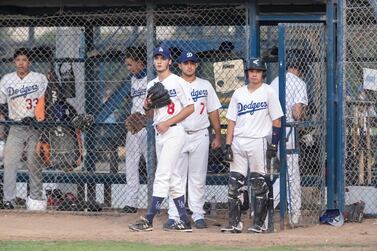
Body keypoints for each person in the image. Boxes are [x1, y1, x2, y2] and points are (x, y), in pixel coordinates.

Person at [128, 46, 194, 232]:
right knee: (173, 179)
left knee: (162, 175)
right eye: (156, 58)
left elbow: (190, 108)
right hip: (160, 133)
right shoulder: (151, 85)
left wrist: (168, 122)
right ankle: (184, 220)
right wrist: (147, 106)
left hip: (174, 132)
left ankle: (148, 219)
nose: (159, 61)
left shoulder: (178, 81)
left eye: (163, 58)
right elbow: (150, 115)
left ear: (169, 62)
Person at [220, 57, 283, 233]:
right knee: (234, 183)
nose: (254, 74)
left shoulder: (268, 92)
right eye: (251, 71)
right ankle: (235, 223)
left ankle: (259, 223)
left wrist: (274, 144)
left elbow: (277, 121)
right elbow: (231, 120)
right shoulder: (238, 93)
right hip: (238, 141)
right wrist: (228, 144)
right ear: (247, 73)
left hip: (258, 141)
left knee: (258, 182)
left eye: (257, 71)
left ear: (263, 73)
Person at [165, 51, 222, 229]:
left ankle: (197, 214)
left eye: (192, 63)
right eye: (185, 63)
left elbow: (213, 111)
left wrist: (217, 134)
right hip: (178, 133)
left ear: (196, 65)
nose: (189, 66)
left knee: (198, 177)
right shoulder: (172, 84)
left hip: (200, 134)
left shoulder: (205, 85)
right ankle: (175, 215)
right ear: (179, 65)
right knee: (177, 177)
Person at [0, 48, 48, 210]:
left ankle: (35, 199)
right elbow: (2, 103)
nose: (21, 63)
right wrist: (5, 119)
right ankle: (9, 200)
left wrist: (37, 117)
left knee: (34, 162)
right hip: (16, 126)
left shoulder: (39, 78)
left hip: (35, 127)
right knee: (10, 163)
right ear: (14, 62)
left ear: (30, 62)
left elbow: (46, 101)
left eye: (24, 60)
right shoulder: (7, 79)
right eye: (18, 60)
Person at [270, 49, 308, 226]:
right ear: (300, 67)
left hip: (271, 131)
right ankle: (288, 211)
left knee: (284, 171)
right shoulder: (299, 82)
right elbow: (297, 112)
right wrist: (304, 117)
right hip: (287, 131)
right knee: (291, 174)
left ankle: (267, 206)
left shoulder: (275, 81)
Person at [120, 47, 148, 213]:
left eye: (131, 64)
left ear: (140, 63)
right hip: (134, 127)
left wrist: (145, 120)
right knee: (130, 163)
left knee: (151, 163)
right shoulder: (133, 80)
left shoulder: (152, 79)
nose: (129, 68)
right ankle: (131, 202)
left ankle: (155, 200)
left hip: (147, 127)